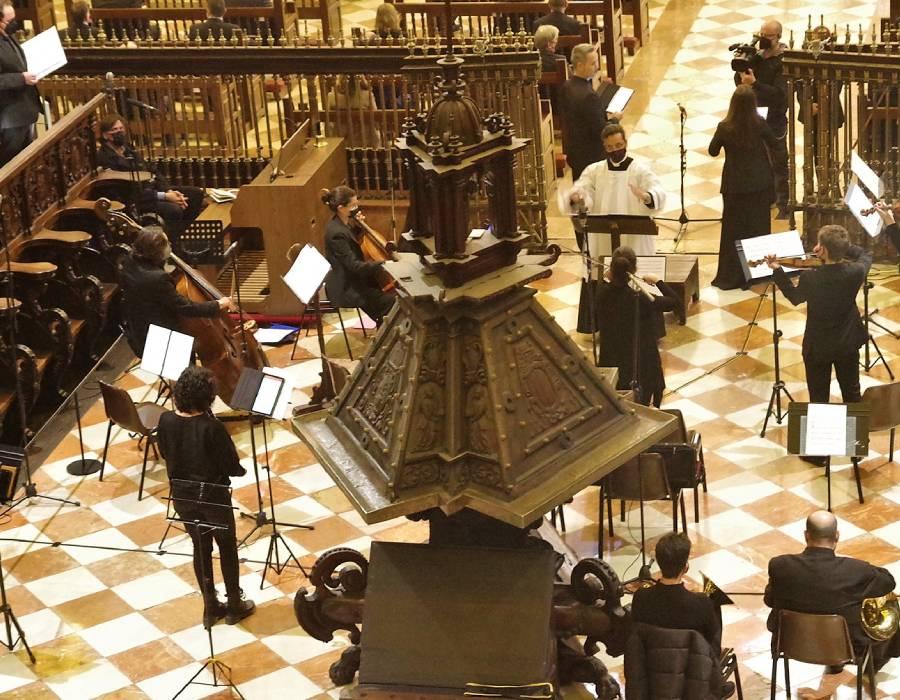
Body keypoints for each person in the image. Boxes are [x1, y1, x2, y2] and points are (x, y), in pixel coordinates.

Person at [157, 366, 256, 628]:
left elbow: (165, 453)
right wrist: (239, 469)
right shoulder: (212, 427)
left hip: (183, 497)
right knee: (226, 547)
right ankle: (234, 605)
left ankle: (210, 607)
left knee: (200, 547)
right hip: (213, 498)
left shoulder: (165, 420)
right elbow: (231, 467)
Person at [765, 510, 899, 671]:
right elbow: (888, 582)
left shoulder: (779, 565)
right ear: (837, 536)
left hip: (790, 644)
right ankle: (871, 666)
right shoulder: (856, 570)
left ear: (806, 535)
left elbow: (769, 600)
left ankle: (836, 664)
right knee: (889, 614)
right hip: (846, 648)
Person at [765, 224, 871, 405]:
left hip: (818, 345)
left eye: (819, 244)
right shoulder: (856, 271)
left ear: (822, 250)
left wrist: (777, 270)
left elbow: (795, 297)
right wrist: (842, 246)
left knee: (819, 398)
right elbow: (865, 254)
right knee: (852, 394)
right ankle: (855, 424)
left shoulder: (811, 278)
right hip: (847, 342)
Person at [118, 226, 234, 356]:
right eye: (166, 244)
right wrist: (218, 304)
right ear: (156, 252)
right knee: (195, 348)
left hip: (138, 330)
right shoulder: (157, 278)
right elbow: (185, 307)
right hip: (159, 340)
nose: (170, 244)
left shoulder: (129, 261)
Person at [708, 85, 777, 290]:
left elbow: (712, 151)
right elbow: (775, 144)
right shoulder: (760, 123)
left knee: (733, 230)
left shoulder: (724, 127)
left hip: (735, 186)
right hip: (759, 184)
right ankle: (758, 272)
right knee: (758, 228)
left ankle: (732, 275)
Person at [594, 247, 679, 407]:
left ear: (611, 270)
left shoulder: (601, 294)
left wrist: (609, 278)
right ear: (633, 270)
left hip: (612, 358)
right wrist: (658, 281)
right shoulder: (639, 299)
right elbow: (674, 302)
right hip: (640, 361)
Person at [97, 113, 205, 233]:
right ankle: (168, 241)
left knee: (195, 194)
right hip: (136, 199)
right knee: (174, 209)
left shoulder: (128, 149)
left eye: (121, 128)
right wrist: (165, 196)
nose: (119, 132)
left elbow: (152, 170)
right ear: (105, 135)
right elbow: (128, 190)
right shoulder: (104, 157)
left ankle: (178, 235)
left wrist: (169, 190)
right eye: (114, 130)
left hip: (151, 190)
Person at [735, 19, 789, 218]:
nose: (763, 39)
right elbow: (740, 84)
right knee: (757, 161)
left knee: (778, 162)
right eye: (761, 34)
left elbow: (780, 95)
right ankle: (765, 198)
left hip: (774, 119)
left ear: (778, 37)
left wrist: (755, 83)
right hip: (754, 116)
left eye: (768, 36)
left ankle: (783, 205)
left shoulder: (783, 60)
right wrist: (742, 69)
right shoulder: (756, 56)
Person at [322, 186, 395, 325]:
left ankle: (383, 325)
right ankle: (385, 330)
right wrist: (382, 264)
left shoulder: (341, 224)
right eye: (353, 205)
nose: (356, 208)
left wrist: (359, 227)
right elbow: (354, 265)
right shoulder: (336, 233)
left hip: (356, 280)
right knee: (392, 302)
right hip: (347, 287)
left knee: (385, 296)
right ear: (341, 208)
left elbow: (350, 240)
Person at [559, 43, 620, 182]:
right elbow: (602, 131)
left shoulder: (567, 86)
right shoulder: (589, 96)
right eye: (593, 63)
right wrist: (615, 119)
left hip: (576, 152)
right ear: (580, 65)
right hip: (591, 156)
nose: (597, 66)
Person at [0, 2, 40, 167]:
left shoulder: (7, 35)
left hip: (25, 108)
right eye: (10, 21)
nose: (14, 24)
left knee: (27, 160)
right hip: (10, 114)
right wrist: (21, 78)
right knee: (12, 163)